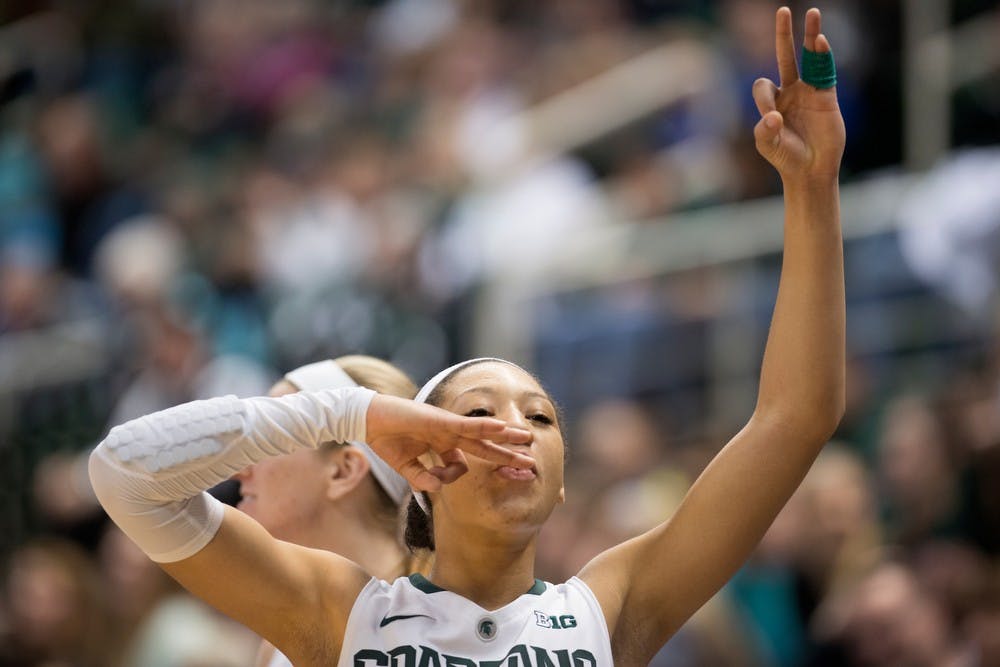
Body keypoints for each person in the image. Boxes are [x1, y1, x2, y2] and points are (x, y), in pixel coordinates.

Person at [89, 7, 845, 664]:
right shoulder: (344, 613)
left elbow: (796, 415)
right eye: (479, 413)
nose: (516, 429)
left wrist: (812, 192)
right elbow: (125, 476)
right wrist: (349, 414)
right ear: (420, 459)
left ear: (561, 473)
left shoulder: (609, 610)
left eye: (540, 417)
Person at [232, 355, 426, 667]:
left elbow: (138, 485)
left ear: (343, 471)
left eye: (268, 441)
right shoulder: (279, 642)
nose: (239, 470)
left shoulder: (429, 634)